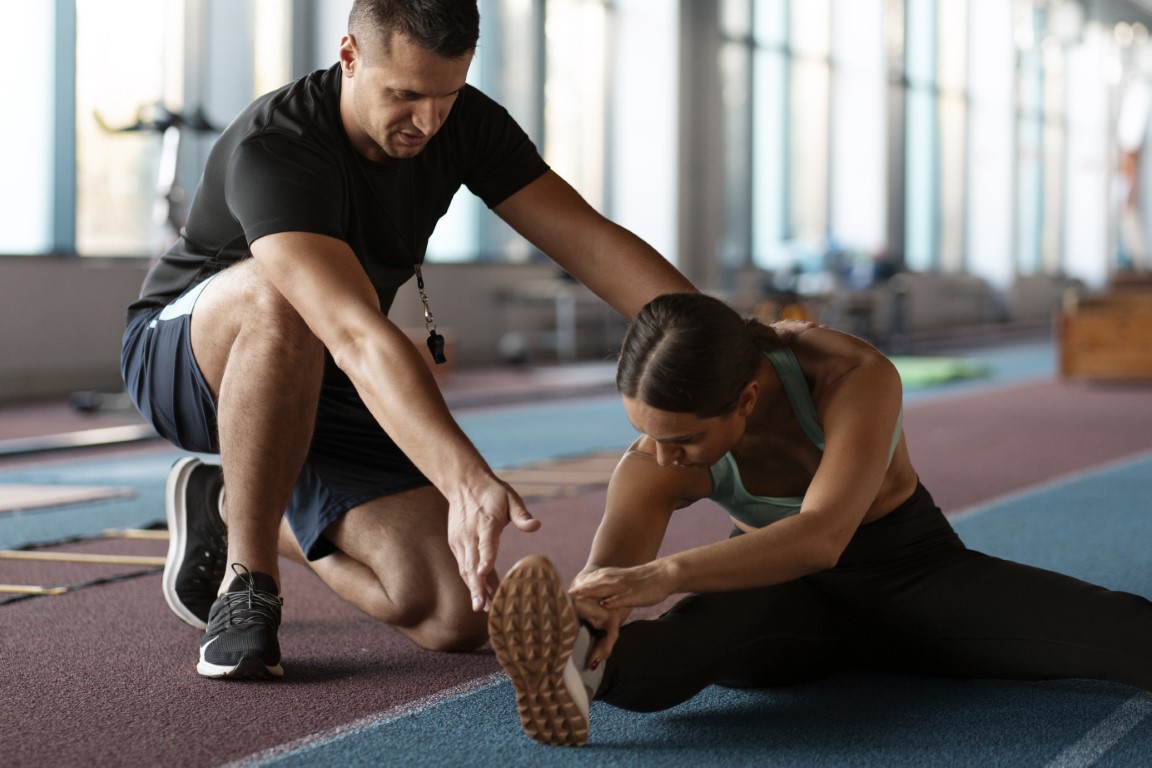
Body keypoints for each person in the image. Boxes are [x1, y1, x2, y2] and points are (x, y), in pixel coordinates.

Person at [120, 0, 694, 681]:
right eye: (405, 95)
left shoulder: (466, 124)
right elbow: (356, 334)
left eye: (445, 96)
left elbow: (589, 243)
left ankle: (229, 497)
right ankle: (248, 582)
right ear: (350, 57)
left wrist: (724, 339)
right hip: (189, 359)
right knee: (283, 298)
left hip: (327, 376)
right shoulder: (279, 147)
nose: (427, 121)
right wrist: (465, 478)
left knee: (456, 613)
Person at [487, 292, 1152, 747]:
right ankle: (578, 674)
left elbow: (824, 535)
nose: (662, 457)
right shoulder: (652, 462)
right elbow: (614, 578)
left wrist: (665, 573)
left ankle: (914, 645)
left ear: (746, 398)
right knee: (676, 649)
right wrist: (590, 613)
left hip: (915, 576)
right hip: (784, 603)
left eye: (683, 440)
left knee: (1120, 630)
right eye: (644, 433)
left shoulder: (852, 375)